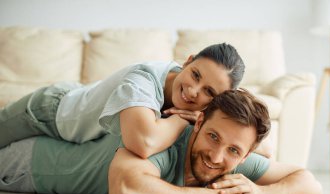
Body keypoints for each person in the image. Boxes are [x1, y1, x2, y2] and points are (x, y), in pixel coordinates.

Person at [0, 89, 322, 194]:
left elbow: (308, 183)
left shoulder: (233, 157)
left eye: (233, 150)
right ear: (196, 126)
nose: (217, 156)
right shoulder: (165, 140)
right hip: (26, 165)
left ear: (247, 153)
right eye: (212, 136)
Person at [0, 43, 245, 159]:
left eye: (209, 92)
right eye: (195, 75)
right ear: (188, 60)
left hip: (79, 120)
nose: (193, 92)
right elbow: (142, 143)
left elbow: (258, 144)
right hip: (51, 110)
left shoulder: (209, 107)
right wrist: (181, 121)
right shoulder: (143, 78)